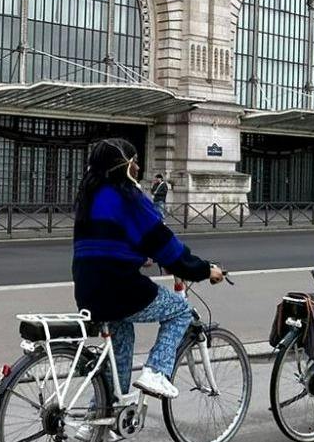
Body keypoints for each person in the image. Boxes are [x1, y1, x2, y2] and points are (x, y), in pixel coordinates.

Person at [72, 139, 226, 400]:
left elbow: (105, 242)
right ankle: (156, 372)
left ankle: (103, 412)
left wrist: (135, 255)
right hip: (118, 288)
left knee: (121, 345)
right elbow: (165, 245)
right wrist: (203, 269)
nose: (138, 167)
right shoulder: (127, 197)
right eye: (134, 161)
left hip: (87, 288)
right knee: (181, 310)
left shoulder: (89, 196)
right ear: (123, 165)